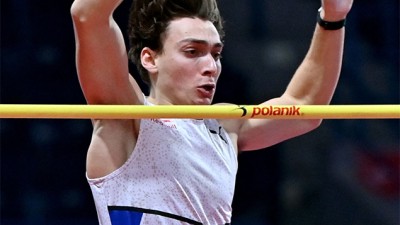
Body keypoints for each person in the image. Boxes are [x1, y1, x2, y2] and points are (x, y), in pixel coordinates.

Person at [70, 0, 353, 224]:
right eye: (192, 51)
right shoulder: (126, 117)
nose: (211, 67)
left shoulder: (225, 124)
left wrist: (333, 17)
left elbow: (305, 106)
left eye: (215, 54)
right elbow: (87, 15)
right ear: (150, 58)